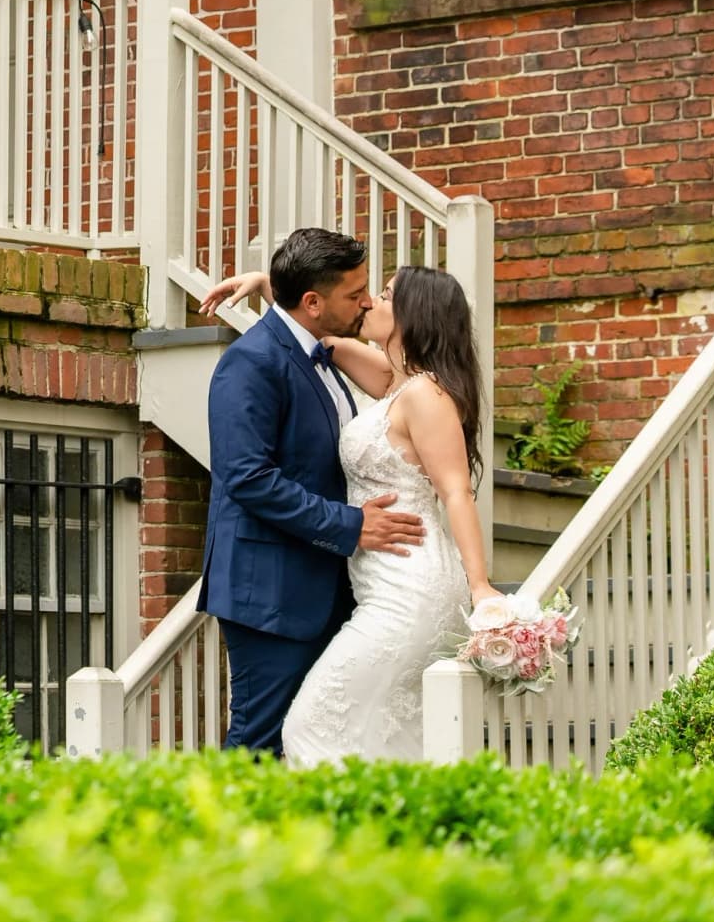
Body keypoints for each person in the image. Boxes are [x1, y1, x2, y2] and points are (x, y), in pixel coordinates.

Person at [202, 261, 500, 765]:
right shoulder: (394, 381)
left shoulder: (425, 395)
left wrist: (481, 586)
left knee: (309, 726)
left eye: (383, 294)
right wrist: (271, 286)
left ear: (413, 314)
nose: (369, 302)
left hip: (408, 582)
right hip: (376, 580)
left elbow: (456, 493)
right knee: (373, 732)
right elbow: (312, 328)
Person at [197, 229, 427, 758]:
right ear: (313, 302)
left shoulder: (320, 349)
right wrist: (352, 525)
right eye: (355, 294)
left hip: (325, 587)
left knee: (318, 739)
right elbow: (247, 477)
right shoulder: (251, 361)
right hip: (271, 592)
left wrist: (267, 282)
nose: (366, 302)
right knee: (260, 742)